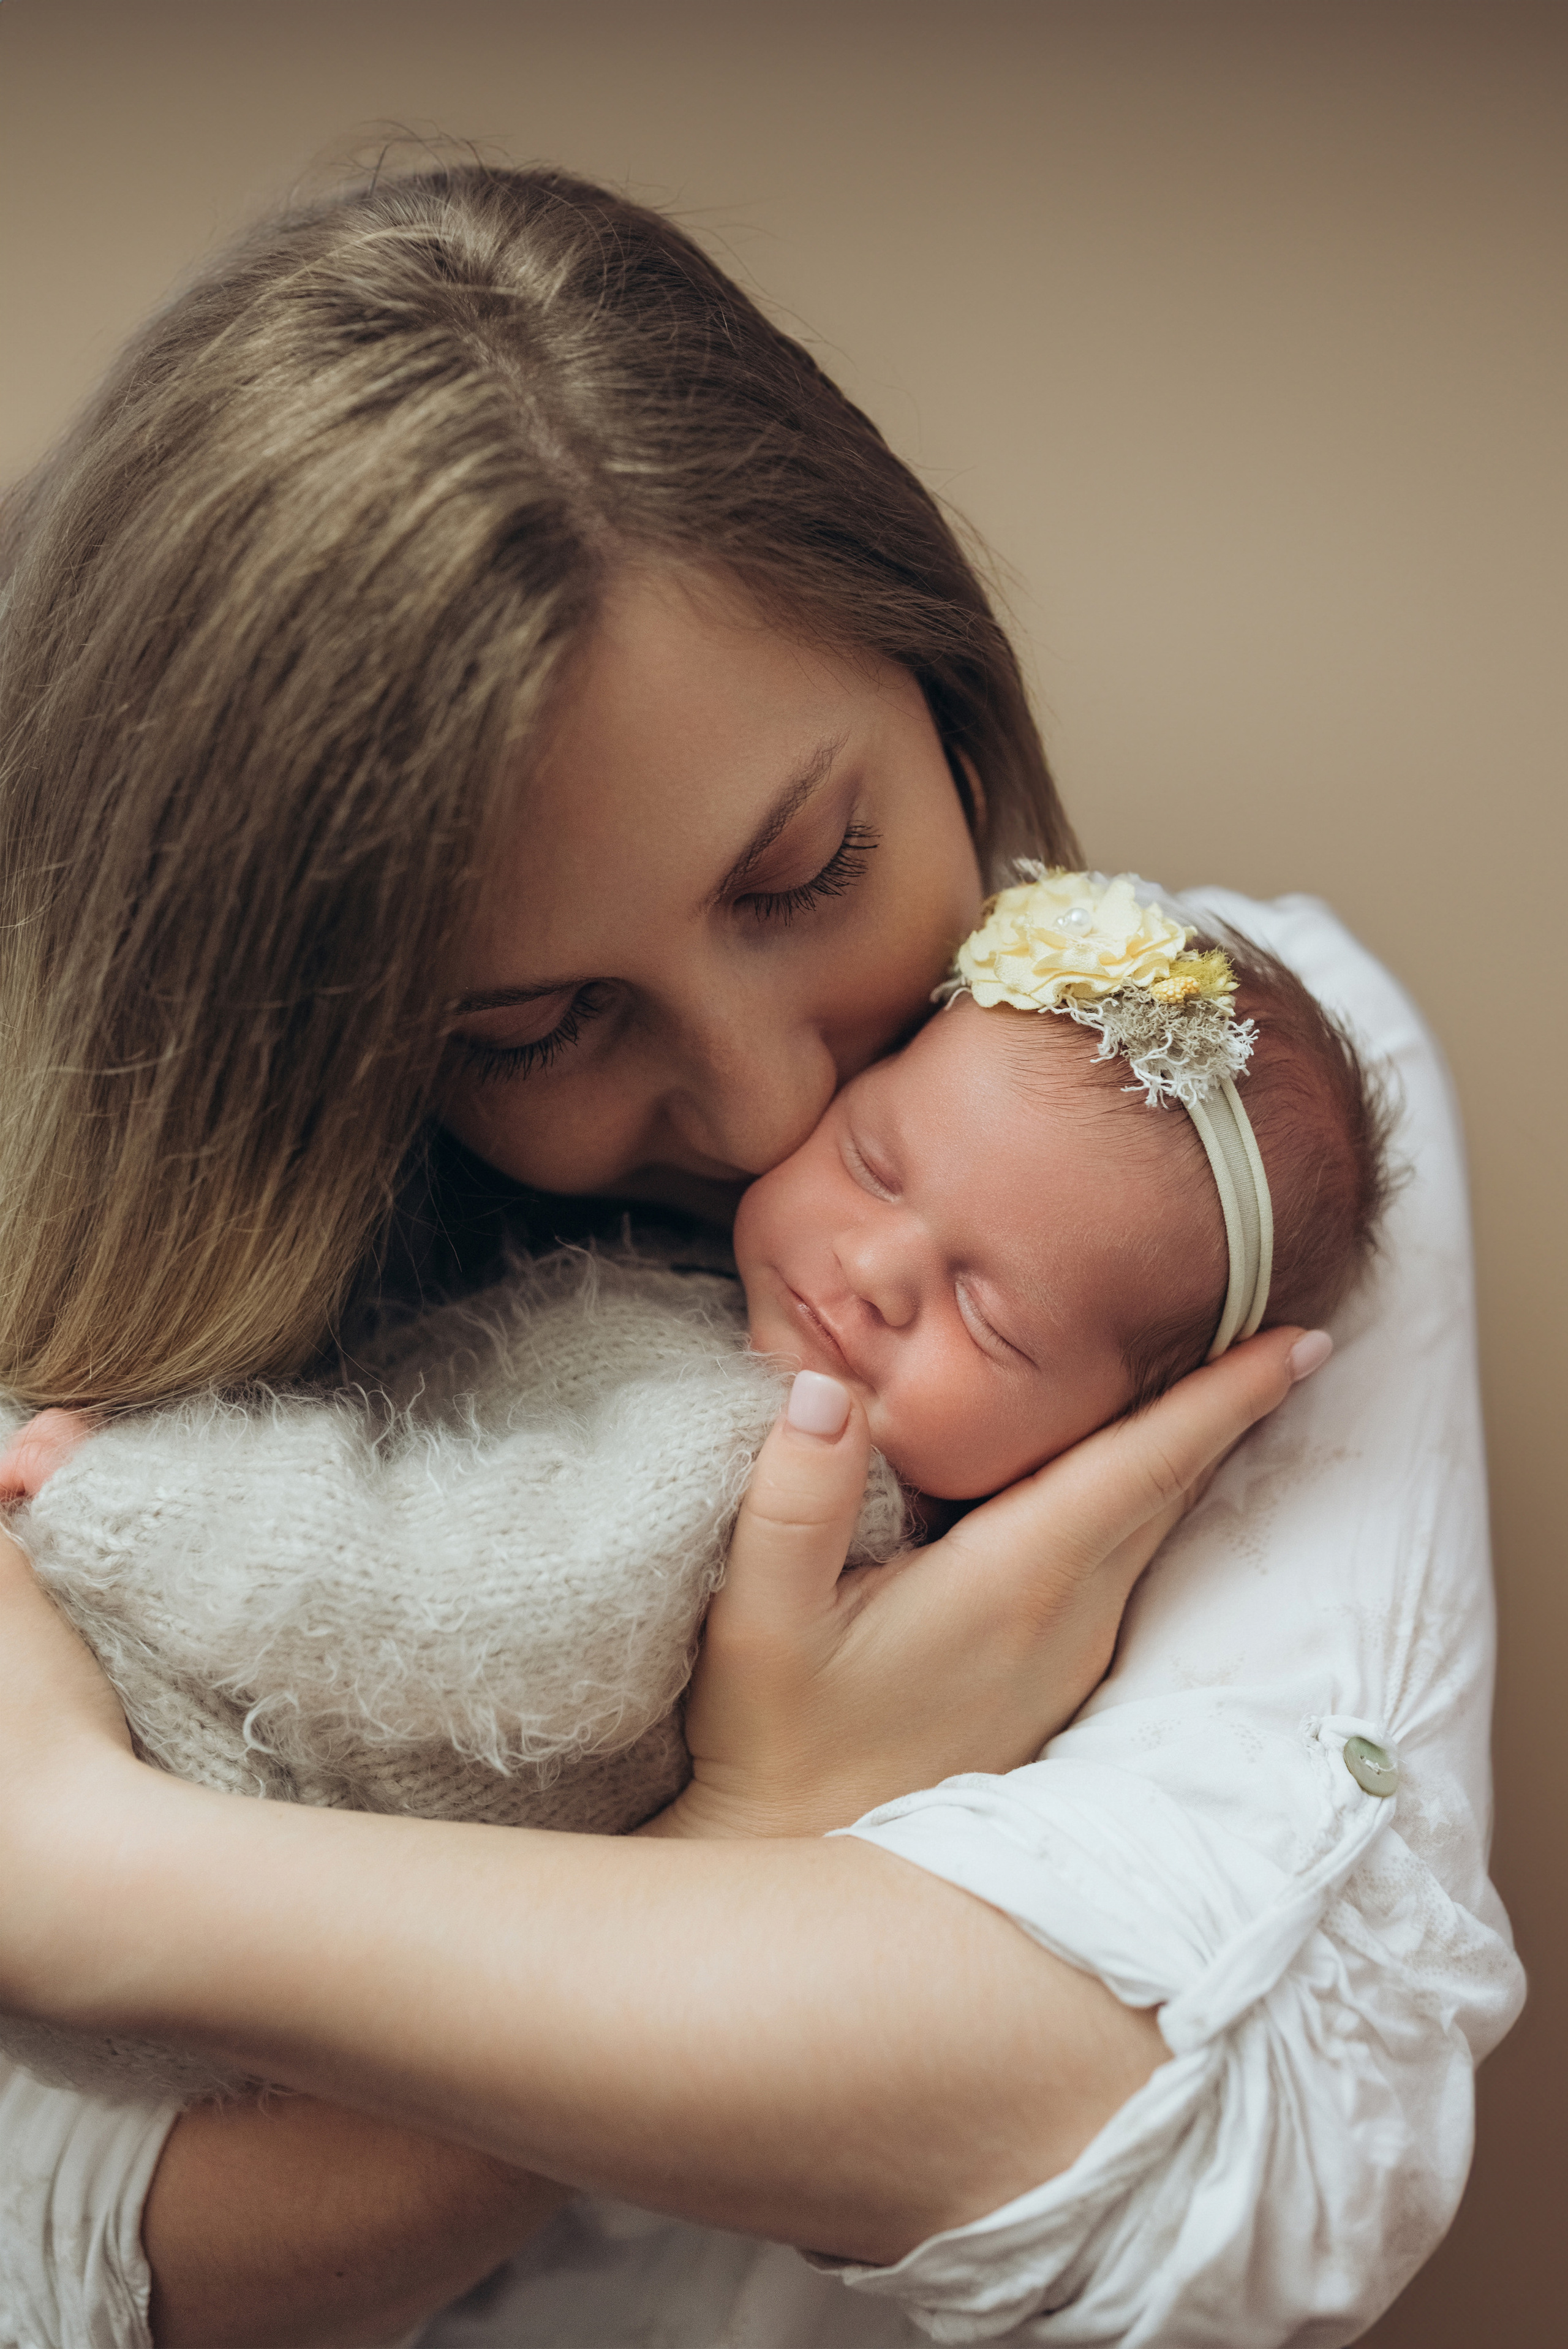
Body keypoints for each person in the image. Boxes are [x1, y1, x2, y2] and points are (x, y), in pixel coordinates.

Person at [0, 162, 1520, 2349]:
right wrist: (766, 1833)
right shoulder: (91, 1218)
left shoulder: (1229, 1114)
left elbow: (1233, 2153)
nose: (763, 1110)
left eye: (810, 870)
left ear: (929, 666)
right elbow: (106, 2258)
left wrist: (91, 1883)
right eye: (533, 1027)